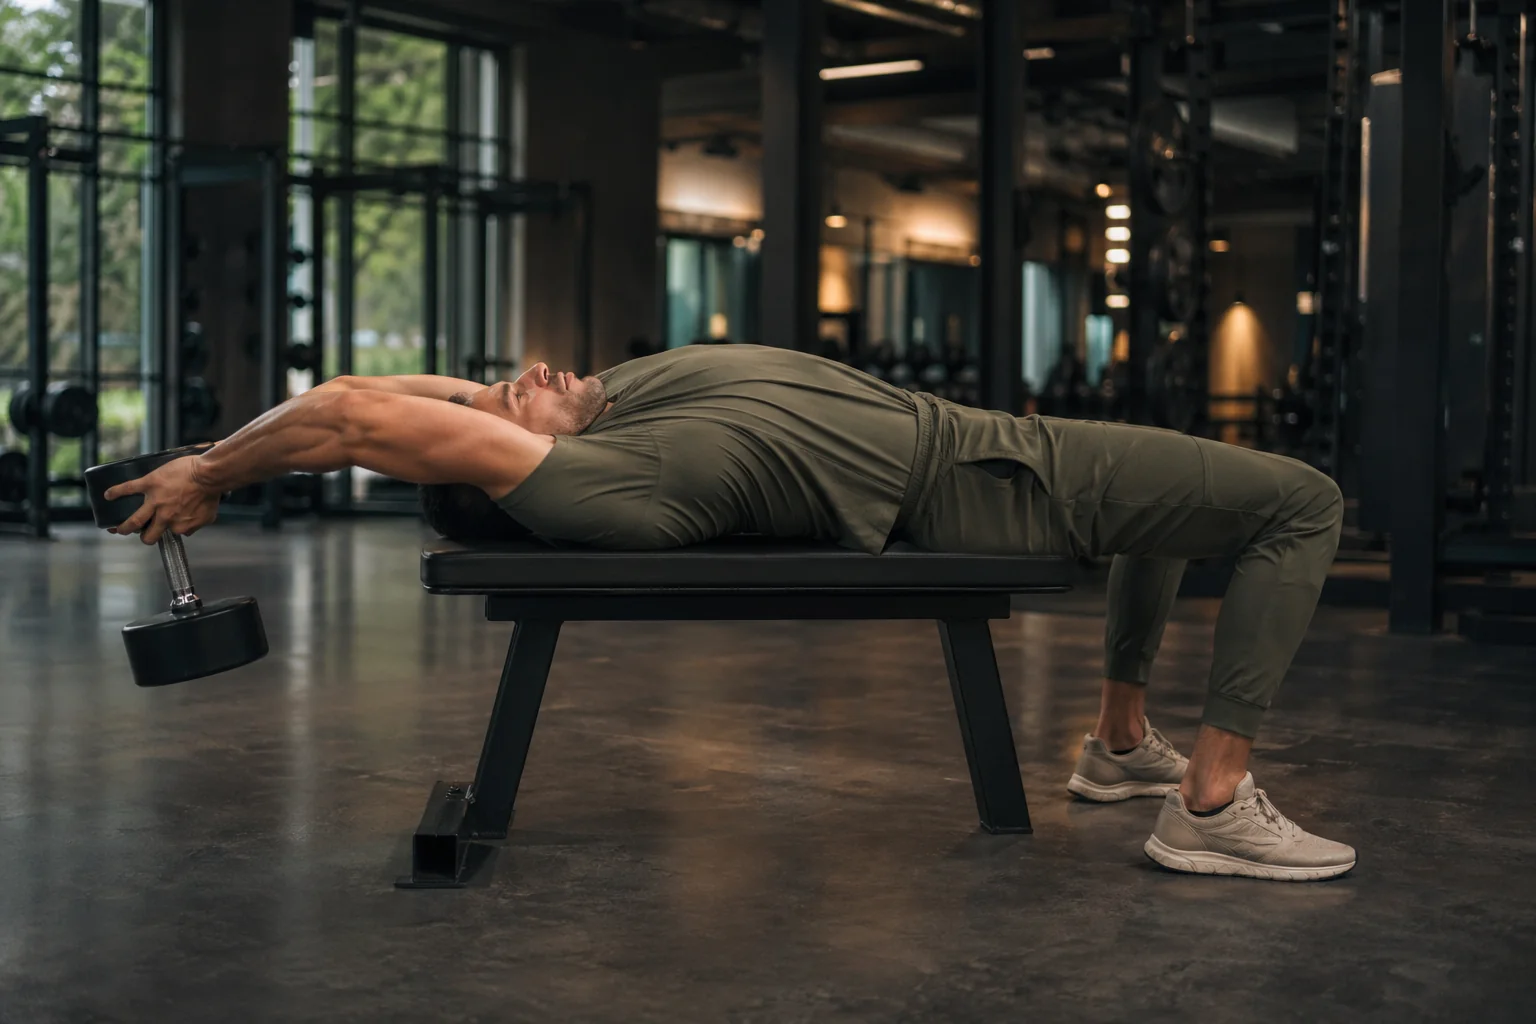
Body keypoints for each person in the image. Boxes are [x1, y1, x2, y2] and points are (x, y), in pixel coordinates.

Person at [105, 344, 1352, 882]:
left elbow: (387, 391)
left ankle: (1122, 744)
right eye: (501, 401)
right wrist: (212, 479)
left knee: (1191, 506)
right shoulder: (610, 476)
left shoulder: (595, 410)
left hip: (1003, 445)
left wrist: (210, 448)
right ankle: (1210, 809)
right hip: (1000, 483)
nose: (518, 373)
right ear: (502, 468)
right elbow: (372, 419)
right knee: (1299, 500)